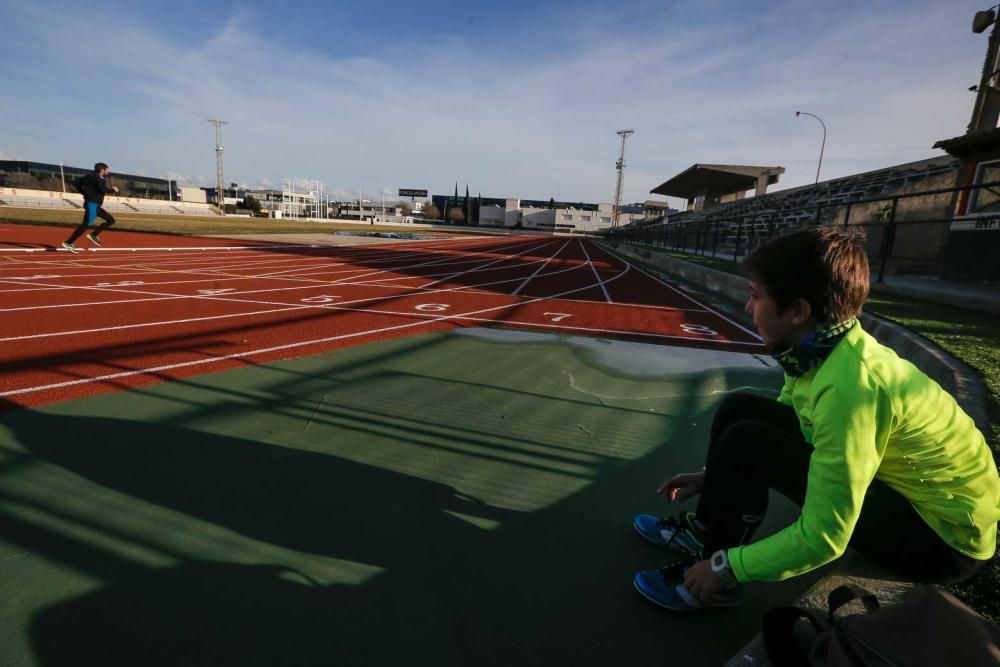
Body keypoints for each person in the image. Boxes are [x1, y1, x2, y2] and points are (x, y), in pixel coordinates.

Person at [632, 227, 1000, 611]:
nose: (746, 307)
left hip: (942, 542)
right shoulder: (819, 348)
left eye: (756, 296)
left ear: (797, 311)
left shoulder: (850, 389)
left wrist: (729, 567)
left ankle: (715, 577)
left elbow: (825, 536)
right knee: (740, 410)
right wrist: (717, 476)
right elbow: (785, 420)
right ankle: (706, 533)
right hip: (912, 499)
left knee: (750, 441)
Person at [62, 162, 119, 253]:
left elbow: (77, 183)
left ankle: (94, 235)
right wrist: (113, 190)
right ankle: (69, 242)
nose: (108, 171)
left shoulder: (91, 176)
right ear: (102, 170)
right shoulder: (97, 178)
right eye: (107, 170)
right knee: (86, 225)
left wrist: (84, 192)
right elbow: (102, 189)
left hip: (95, 205)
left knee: (111, 220)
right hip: (92, 204)